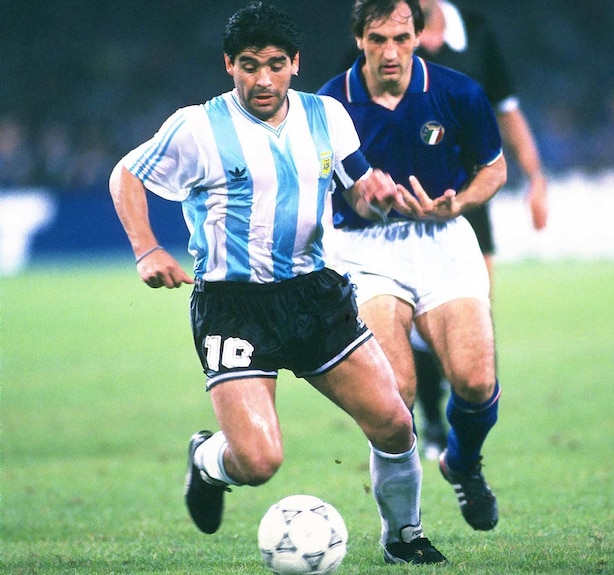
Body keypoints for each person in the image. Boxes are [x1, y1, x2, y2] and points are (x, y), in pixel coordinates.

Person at [107, 2, 446, 565]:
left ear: (295, 63)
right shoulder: (197, 126)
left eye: (274, 64)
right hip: (232, 307)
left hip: (314, 296)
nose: (262, 79)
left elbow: (359, 186)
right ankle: (207, 461)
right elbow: (126, 175)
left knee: (393, 421)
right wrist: (146, 249)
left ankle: (403, 535)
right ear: (228, 65)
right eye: (247, 65)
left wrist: (379, 197)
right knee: (259, 462)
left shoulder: (327, 116)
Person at [318, 0, 506, 532]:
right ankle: (402, 531)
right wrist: (360, 196)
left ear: (418, 35)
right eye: (377, 40)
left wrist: (460, 202)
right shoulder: (330, 104)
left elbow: (493, 169)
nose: (390, 52)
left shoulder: (458, 91)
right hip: (364, 252)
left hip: (442, 239)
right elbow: (320, 189)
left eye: (401, 38)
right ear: (359, 40)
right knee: (394, 395)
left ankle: (463, 462)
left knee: (474, 380)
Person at [410, 0, 549, 461]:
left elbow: (506, 109)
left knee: (475, 312)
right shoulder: (383, 31)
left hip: (468, 195)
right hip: (405, 198)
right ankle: (431, 422)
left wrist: (535, 177)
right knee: (418, 319)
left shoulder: (476, 32)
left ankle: (464, 438)